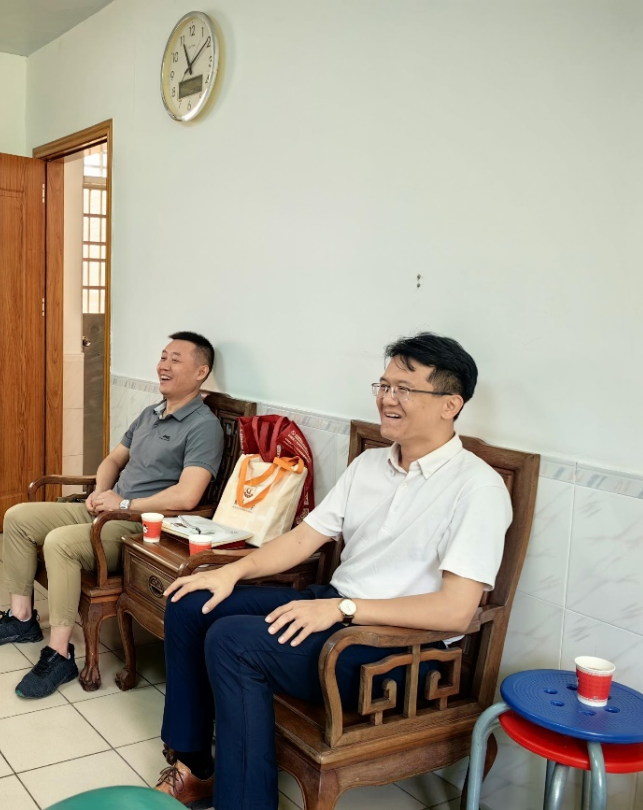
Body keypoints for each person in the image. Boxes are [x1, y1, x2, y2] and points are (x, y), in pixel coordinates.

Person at [154, 333, 513, 810]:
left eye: (404, 389)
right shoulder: (370, 464)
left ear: (451, 404)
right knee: (191, 601)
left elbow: (455, 611)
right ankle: (197, 768)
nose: (387, 398)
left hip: (399, 650)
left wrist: (343, 609)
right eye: (384, 385)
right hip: (335, 606)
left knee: (233, 641)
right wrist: (232, 572)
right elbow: (304, 539)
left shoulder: (478, 489)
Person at [0, 331, 225, 698]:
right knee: (18, 517)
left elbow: (187, 496)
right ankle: (22, 618)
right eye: (163, 357)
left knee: (59, 543)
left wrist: (124, 506)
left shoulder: (203, 426)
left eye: (175, 359)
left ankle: (59, 654)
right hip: (110, 510)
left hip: (139, 527)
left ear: (201, 372)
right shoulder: (151, 413)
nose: (163, 366)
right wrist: (101, 492)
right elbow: (113, 460)